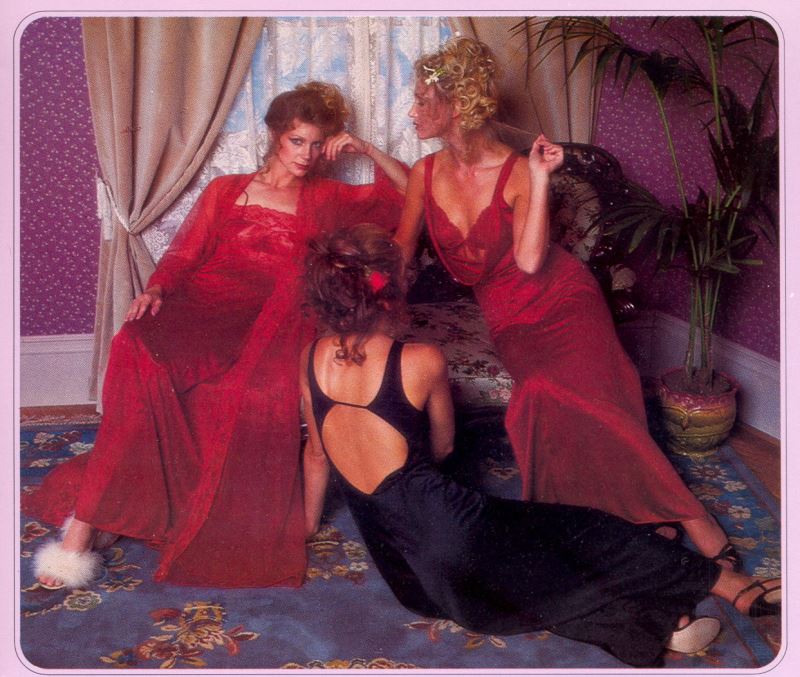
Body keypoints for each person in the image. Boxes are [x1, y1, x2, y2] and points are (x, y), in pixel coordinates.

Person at [299, 222, 780, 668]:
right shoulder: (420, 359)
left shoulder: (309, 359)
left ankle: (660, 625)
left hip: (411, 579)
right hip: (452, 535)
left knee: (524, 586)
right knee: (589, 532)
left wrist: (305, 527)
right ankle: (731, 585)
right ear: (390, 295)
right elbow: (443, 449)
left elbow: (317, 455)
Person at [24, 81, 408, 589]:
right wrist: (156, 288)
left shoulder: (328, 198)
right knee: (134, 344)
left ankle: (85, 527)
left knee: (244, 388)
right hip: (203, 302)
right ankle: (103, 512)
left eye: (318, 144)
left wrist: (365, 148)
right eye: (297, 141)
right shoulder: (226, 189)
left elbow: (409, 195)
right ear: (275, 135)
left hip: (270, 316)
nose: (307, 154)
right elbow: (188, 254)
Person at [392, 36, 742, 568]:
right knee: (543, 392)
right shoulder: (424, 173)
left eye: (422, 100)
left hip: (564, 300)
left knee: (587, 396)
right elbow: (400, 250)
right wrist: (377, 306)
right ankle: (620, 518)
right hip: (511, 317)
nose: (412, 111)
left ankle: (693, 518)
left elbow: (532, 261)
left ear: (456, 106)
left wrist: (538, 177)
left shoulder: (516, 171)